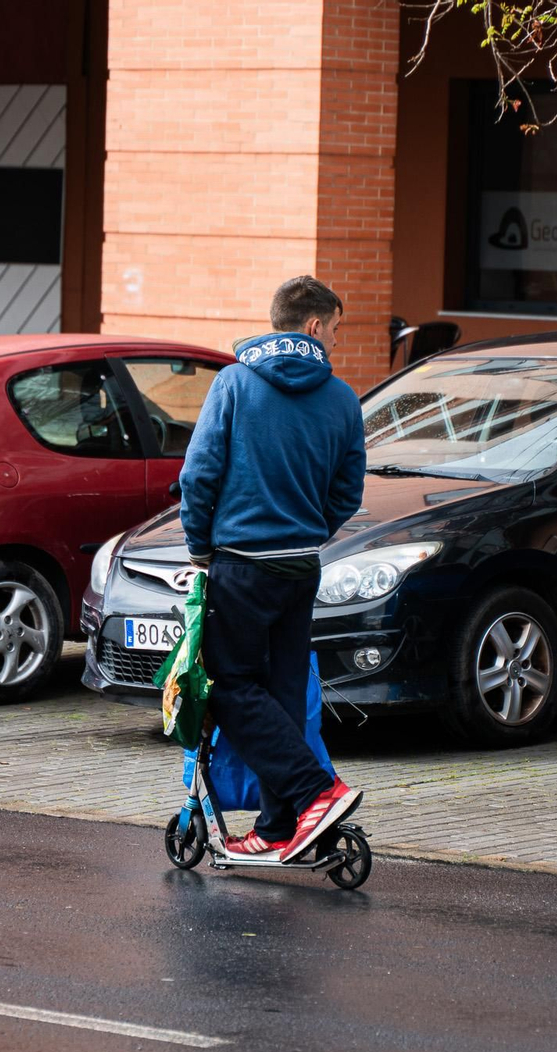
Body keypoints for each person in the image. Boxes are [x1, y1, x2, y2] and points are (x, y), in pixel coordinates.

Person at [179, 276, 367, 863]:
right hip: (299, 569)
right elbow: (348, 493)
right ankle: (280, 826)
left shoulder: (234, 384)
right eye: (335, 329)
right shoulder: (342, 399)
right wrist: (307, 531)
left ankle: (315, 792)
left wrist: (199, 547)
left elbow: (198, 475)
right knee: (284, 694)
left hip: (241, 566)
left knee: (228, 687)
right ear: (313, 325)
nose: (335, 341)